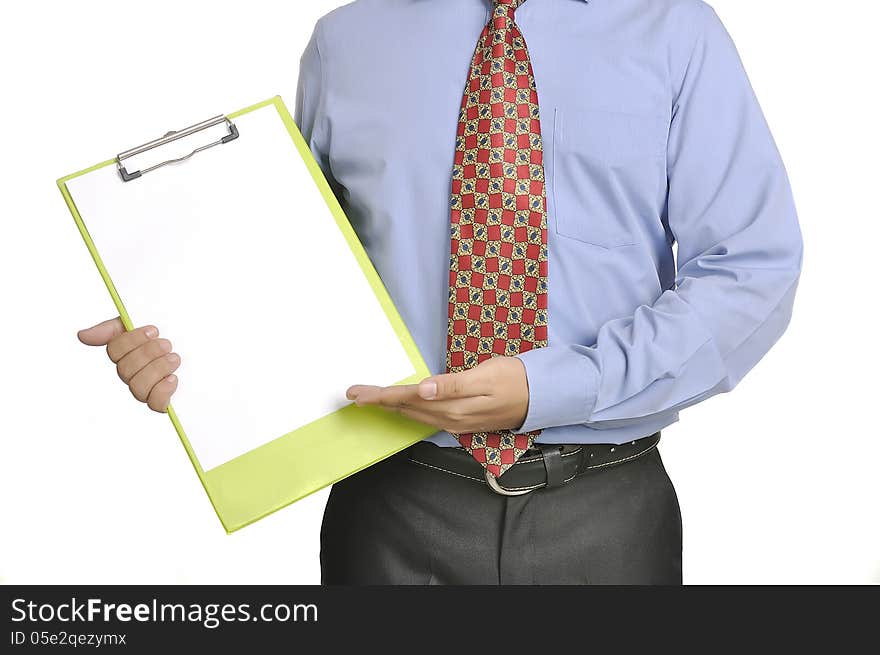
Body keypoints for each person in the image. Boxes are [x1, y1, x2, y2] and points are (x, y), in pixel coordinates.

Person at [78, 0, 803, 585]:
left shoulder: (676, 30)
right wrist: (185, 332)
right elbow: (300, 277)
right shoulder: (346, 42)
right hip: (391, 508)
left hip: (607, 518)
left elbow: (752, 272)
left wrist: (550, 386)